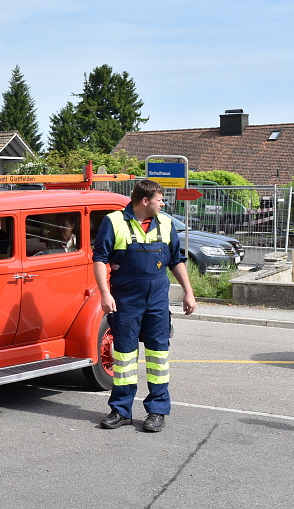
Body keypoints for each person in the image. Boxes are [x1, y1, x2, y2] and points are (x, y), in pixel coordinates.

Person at [92, 179, 196, 433]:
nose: (163, 203)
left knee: (158, 355)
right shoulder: (114, 222)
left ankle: (157, 411)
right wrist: (105, 294)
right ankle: (121, 410)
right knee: (124, 356)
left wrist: (188, 292)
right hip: (126, 298)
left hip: (157, 300)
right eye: (160, 199)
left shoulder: (167, 223)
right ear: (145, 201)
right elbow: (100, 258)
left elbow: (176, 260)